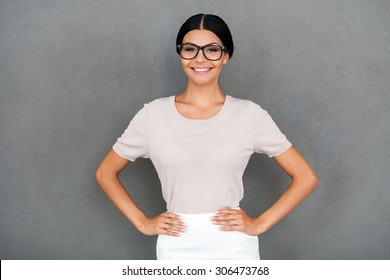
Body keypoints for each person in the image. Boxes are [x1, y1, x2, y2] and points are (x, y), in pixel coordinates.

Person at [95, 13, 318, 260]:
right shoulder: (152, 115)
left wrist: (260, 224)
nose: (200, 58)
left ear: (226, 55)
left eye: (212, 50)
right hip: (175, 245)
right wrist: (142, 222)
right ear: (180, 54)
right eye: (190, 49)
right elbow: (105, 172)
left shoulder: (249, 115)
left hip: (234, 247)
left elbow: (305, 177)